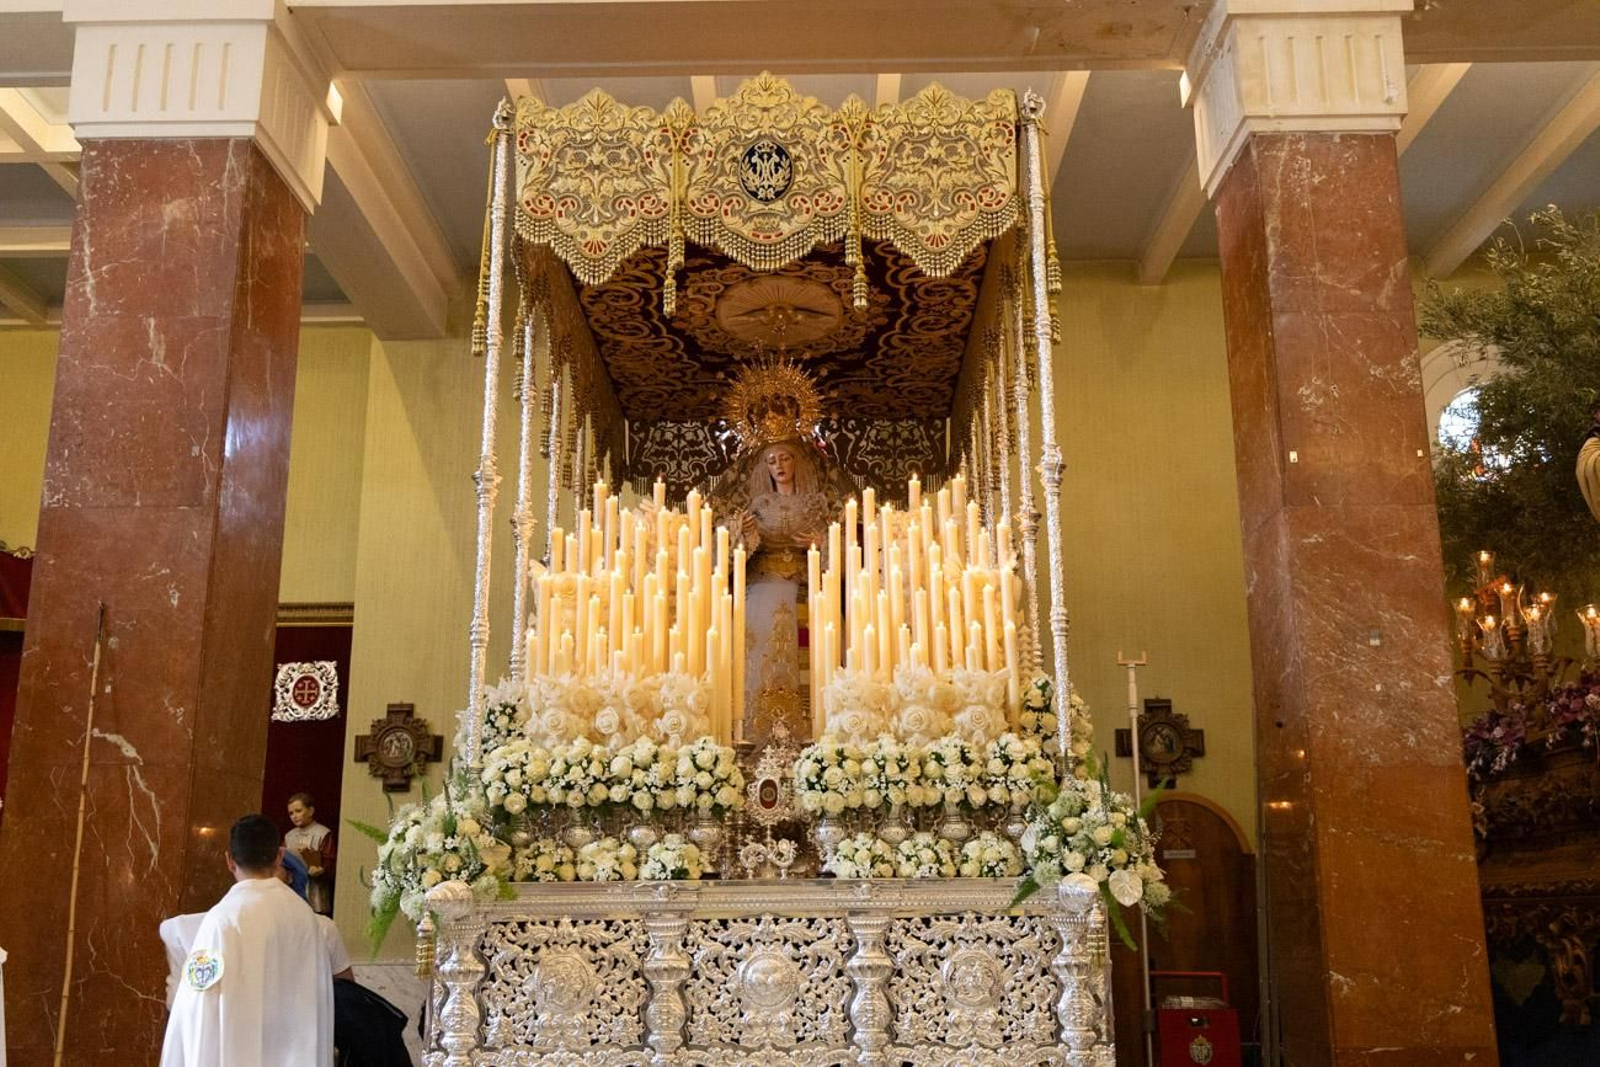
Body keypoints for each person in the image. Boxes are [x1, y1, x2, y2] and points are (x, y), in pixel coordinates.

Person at [160, 814, 334, 1066]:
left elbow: (199, 1002)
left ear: (229, 860)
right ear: (278, 857)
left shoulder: (222, 919)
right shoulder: (305, 917)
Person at [731, 439, 830, 741]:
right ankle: (758, 726)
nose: (779, 466)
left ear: (796, 462)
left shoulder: (815, 503)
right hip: (764, 582)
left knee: (818, 644)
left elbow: (838, 542)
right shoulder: (759, 506)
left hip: (806, 583)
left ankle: (813, 727)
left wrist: (820, 543)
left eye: (785, 459)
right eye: (772, 461)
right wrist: (742, 533)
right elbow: (737, 550)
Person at [286, 792, 336, 915]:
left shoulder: (323, 833)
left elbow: (330, 861)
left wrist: (321, 869)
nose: (294, 816)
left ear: (311, 811)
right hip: (293, 890)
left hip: (315, 890)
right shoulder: (289, 836)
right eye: (291, 813)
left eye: (298, 811)